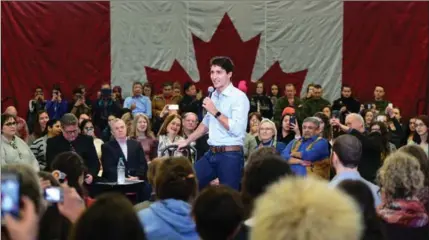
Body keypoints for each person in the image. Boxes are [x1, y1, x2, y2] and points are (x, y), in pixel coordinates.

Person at [177, 56, 250, 190]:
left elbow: (237, 129)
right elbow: (206, 123)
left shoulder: (239, 97)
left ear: (229, 74)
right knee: (187, 185)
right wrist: (188, 140)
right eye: (212, 72)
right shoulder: (214, 95)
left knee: (229, 199)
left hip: (230, 155)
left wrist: (215, 111)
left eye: (219, 72)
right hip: (211, 153)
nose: (214, 76)